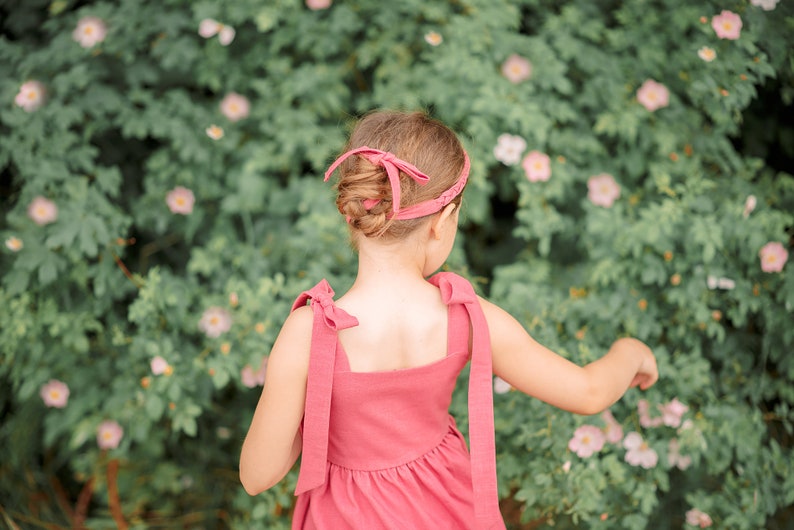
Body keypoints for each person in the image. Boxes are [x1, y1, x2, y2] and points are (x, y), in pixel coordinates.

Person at [239, 110, 658, 529]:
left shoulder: (309, 333)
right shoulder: (468, 318)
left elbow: (258, 475)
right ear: (443, 222)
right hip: (446, 505)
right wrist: (631, 351)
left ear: (352, 212)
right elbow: (588, 393)